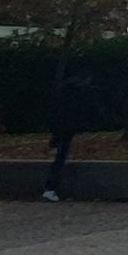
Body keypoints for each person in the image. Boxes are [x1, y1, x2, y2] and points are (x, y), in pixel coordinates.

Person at [41, 70, 95, 202]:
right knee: (60, 159)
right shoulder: (79, 94)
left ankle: (51, 188)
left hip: (61, 129)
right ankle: (51, 188)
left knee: (59, 158)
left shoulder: (63, 94)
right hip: (67, 130)